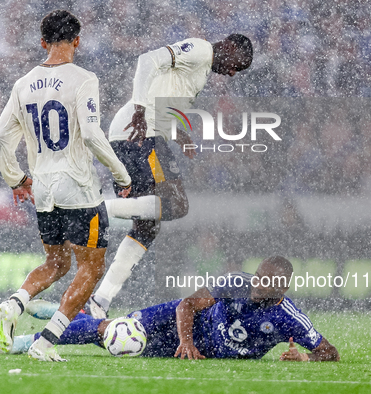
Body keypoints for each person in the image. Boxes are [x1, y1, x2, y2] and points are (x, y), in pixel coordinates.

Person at [0, 10, 132, 362]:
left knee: (55, 263)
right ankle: (46, 341)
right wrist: (121, 174)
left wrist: (16, 178)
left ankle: (13, 305)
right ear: (77, 40)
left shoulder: (23, 83)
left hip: (42, 188)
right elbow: (90, 133)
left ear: (43, 42)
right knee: (91, 267)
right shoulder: (84, 79)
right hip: (78, 187)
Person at [87, 34, 254, 318]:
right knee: (176, 205)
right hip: (140, 132)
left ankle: (99, 302)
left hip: (139, 132)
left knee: (147, 227)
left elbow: (160, 100)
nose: (233, 72)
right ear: (229, 47)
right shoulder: (201, 50)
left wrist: (177, 134)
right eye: (238, 64)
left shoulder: (199, 71)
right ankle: (96, 209)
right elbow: (147, 60)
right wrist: (139, 110)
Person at [13, 256, 340, 361]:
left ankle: (60, 313)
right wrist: (187, 341)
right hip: (184, 322)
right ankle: (27, 343)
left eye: (266, 283)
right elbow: (188, 303)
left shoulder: (289, 318)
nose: (256, 285)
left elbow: (330, 352)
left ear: (282, 288)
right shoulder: (237, 283)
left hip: (200, 350)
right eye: (258, 277)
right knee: (112, 332)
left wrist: (307, 357)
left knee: (112, 340)